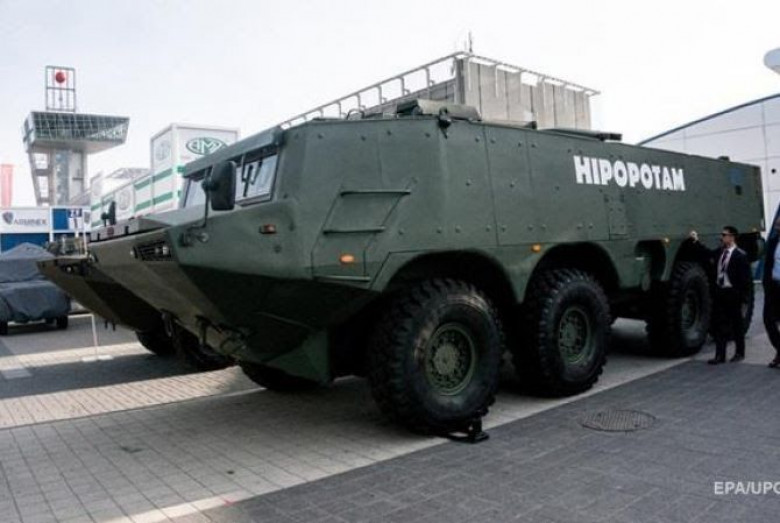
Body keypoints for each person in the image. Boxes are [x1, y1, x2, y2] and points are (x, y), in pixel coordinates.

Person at [690, 226, 752, 364]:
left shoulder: (740, 255)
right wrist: (696, 241)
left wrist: (742, 297)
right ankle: (720, 355)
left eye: (724, 235)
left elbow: (745, 280)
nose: (722, 237)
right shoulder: (720, 252)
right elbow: (707, 253)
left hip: (733, 293)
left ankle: (739, 352)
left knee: (736, 324)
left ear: (732, 237)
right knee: (720, 324)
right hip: (720, 292)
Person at [763, 216, 780, 368]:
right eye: (776, 225)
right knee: (768, 319)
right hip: (773, 286)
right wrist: (766, 284)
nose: (777, 228)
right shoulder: (773, 242)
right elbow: (768, 264)